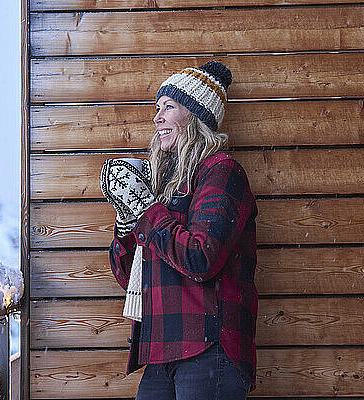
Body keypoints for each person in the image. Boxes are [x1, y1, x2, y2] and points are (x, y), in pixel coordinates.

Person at [100, 61, 258, 400]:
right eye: (157, 108)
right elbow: (130, 277)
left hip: (209, 349)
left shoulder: (221, 172)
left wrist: (146, 209)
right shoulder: (164, 187)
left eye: (168, 107)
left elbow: (201, 258)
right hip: (160, 350)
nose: (157, 117)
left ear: (196, 116)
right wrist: (127, 222)